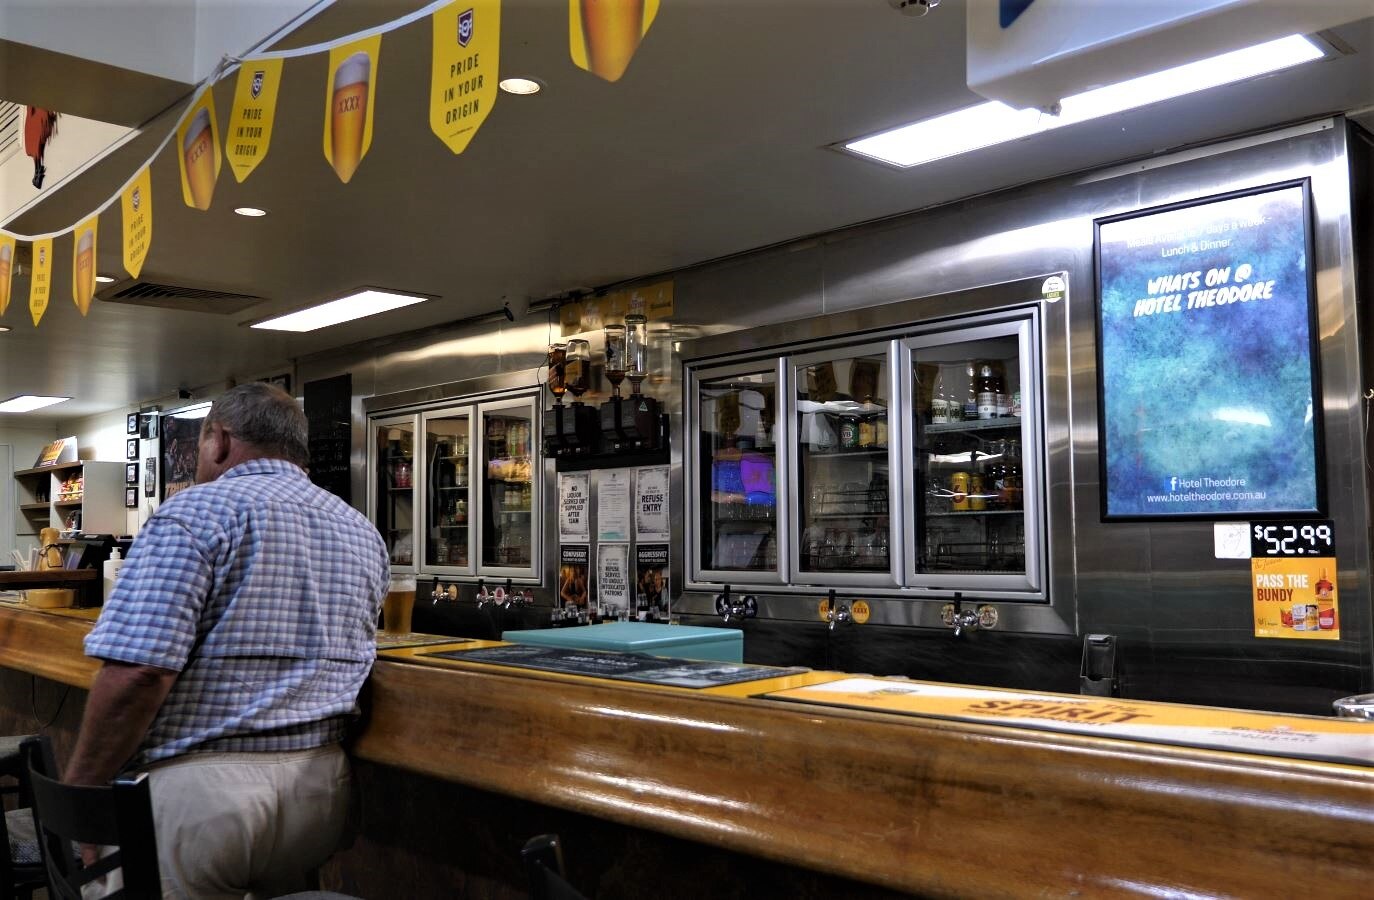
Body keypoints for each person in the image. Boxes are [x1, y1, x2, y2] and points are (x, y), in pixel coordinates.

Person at [67, 382, 390, 899]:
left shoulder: (192, 515)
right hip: (321, 793)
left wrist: (81, 791)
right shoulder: (361, 531)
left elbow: (140, 672)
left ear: (218, 440)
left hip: (202, 796)